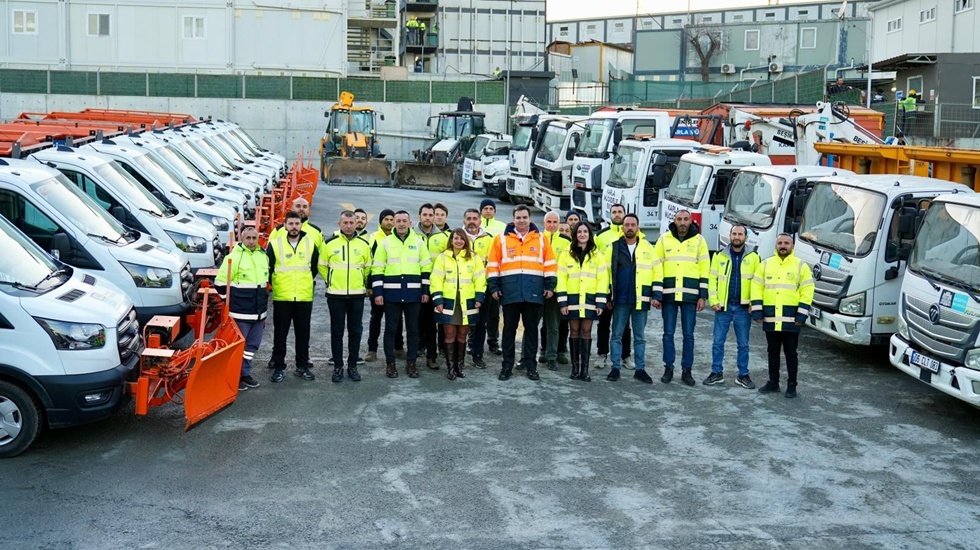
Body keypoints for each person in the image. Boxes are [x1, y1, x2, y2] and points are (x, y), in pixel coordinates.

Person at [487, 205, 557, 381]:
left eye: (524, 217)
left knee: (531, 331)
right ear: (513, 219)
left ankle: (531, 366)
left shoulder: (541, 239)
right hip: (509, 292)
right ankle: (506, 366)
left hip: (534, 292)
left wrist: (550, 286)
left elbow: (550, 264)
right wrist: (494, 287)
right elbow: (493, 265)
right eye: (518, 217)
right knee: (508, 331)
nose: (521, 220)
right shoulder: (500, 239)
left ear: (530, 218)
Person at [751, 234, 814, 398]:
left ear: (792, 246)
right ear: (775, 245)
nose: (783, 246)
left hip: (791, 320)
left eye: (786, 243)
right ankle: (773, 382)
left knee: (791, 353)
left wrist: (801, 315)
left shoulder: (801, 266)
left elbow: (807, 291)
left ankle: (792, 385)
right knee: (772, 352)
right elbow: (756, 287)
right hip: (771, 318)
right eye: (780, 243)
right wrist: (757, 311)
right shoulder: (765, 264)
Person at [652, 209, 709, 387]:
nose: (682, 222)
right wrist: (657, 294)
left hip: (690, 296)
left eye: (685, 219)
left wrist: (703, 296)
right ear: (674, 221)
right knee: (668, 334)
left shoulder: (699, 241)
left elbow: (704, 268)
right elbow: (657, 267)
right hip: (668, 295)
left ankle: (687, 370)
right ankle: (668, 368)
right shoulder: (663, 239)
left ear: (691, 221)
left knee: (688, 335)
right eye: (679, 219)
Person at [372, 210, 431, 379]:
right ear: (394, 223)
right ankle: (390, 364)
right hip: (391, 295)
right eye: (398, 221)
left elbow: (426, 268)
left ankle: (411, 363)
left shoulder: (419, 242)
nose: (402, 224)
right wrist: (378, 292)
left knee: (413, 331)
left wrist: (425, 291)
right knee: (390, 330)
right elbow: (377, 268)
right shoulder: (385, 243)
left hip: (413, 295)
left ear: (410, 222)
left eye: (405, 220)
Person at [704, 225, 760, 389]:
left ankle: (743, 375)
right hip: (723, 307)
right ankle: (716, 373)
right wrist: (713, 300)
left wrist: (754, 303)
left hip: (743, 308)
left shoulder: (754, 257)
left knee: (743, 344)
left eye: (740, 234)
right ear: (729, 235)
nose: (736, 237)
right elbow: (712, 280)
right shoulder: (719, 256)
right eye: (734, 233)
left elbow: (758, 283)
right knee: (718, 342)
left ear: (745, 237)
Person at [319, 210, 372, 383]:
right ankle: (338, 367)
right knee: (337, 332)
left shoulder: (364, 244)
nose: (349, 226)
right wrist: (331, 281)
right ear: (339, 224)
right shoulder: (329, 244)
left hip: (357, 295)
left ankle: (352, 366)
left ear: (356, 224)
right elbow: (322, 266)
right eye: (345, 223)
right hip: (336, 295)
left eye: (352, 223)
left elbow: (368, 268)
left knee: (355, 332)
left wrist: (362, 284)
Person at [267, 211, 320, 383]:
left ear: (301, 225)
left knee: (303, 335)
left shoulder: (310, 244)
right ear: (285, 225)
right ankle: (279, 368)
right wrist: (278, 284)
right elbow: (269, 269)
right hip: (282, 297)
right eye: (290, 224)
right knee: (280, 335)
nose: (294, 227)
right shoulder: (275, 244)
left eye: (297, 224)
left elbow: (314, 268)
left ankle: (302, 366)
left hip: (304, 297)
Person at [215, 226, 269, 391]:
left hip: (259, 313)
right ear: (242, 239)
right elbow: (220, 284)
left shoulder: (263, 256)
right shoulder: (233, 258)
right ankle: (234, 376)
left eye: (254, 238)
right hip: (240, 312)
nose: (252, 241)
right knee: (237, 347)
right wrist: (230, 303)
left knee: (251, 347)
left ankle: (245, 374)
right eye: (248, 238)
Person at [606, 213, 656, 384]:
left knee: (640, 337)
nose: (629, 227)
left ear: (638, 227)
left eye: (632, 224)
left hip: (640, 299)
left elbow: (656, 272)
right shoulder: (613, 247)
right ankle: (615, 368)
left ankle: (640, 370)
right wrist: (607, 296)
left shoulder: (648, 248)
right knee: (617, 335)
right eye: (626, 225)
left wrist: (655, 295)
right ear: (622, 228)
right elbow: (606, 272)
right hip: (620, 299)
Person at [431, 228, 487, 380]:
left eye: (462, 239)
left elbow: (480, 280)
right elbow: (436, 280)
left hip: (467, 303)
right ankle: (450, 368)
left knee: (462, 335)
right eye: (456, 238)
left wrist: (479, 298)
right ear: (451, 240)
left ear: (466, 241)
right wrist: (438, 300)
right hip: (448, 302)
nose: (459, 241)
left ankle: (459, 366)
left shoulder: (473, 258)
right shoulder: (442, 258)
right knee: (450, 334)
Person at [556, 222, 608, 381]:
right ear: (575, 234)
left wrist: (600, 302)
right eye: (579, 231)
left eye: (585, 231)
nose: (582, 234)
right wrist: (563, 302)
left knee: (586, 331)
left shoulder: (597, 255)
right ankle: (575, 369)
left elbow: (602, 279)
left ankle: (585, 370)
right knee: (574, 331)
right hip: (572, 298)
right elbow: (561, 278)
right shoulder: (566, 254)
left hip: (590, 299)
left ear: (589, 234)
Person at [365, 209, 404, 362]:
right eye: (386, 219)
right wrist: (371, 286)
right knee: (376, 317)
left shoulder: (398, 238)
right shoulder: (373, 238)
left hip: (395, 286)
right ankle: (372, 350)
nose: (389, 222)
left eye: (391, 219)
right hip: (379, 285)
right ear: (380, 221)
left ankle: (398, 347)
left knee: (397, 319)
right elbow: (370, 264)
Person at [596, 203, 631, 369]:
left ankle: (625, 356)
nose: (617, 215)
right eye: (614, 212)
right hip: (606, 287)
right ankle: (602, 354)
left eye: (620, 212)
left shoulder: (633, 235)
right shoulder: (601, 236)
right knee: (604, 323)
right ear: (610, 215)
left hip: (624, 289)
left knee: (625, 325)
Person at [416, 203, 450, 369]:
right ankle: (414, 353)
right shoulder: (412, 236)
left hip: (434, 286)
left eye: (431, 215)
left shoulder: (443, 238)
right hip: (414, 285)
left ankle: (432, 356)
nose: (428, 218)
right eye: (425, 215)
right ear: (419, 216)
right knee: (414, 322)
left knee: (431, 323)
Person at [464, 208, 497, 369]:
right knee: (461, 324)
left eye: (475, 218)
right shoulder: (457, 237)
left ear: (480, 221)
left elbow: (494, 263)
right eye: (468, 218)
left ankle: (478, 355)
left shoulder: (490, 239)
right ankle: (458, 357)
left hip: (483, 288)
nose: (472, 221)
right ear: (464, 221)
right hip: (461, 288)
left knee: (481, 323)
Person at [539, 211, 572, 370]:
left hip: (556, 289)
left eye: (554, 222)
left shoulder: (566, 242)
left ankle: (552, 356)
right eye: (549, 222)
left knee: (553, 325)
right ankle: (532, 355)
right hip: (537, 288)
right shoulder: (537, 238)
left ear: (559, 224)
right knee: (532, 324)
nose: (551, 225)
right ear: (544, 223)